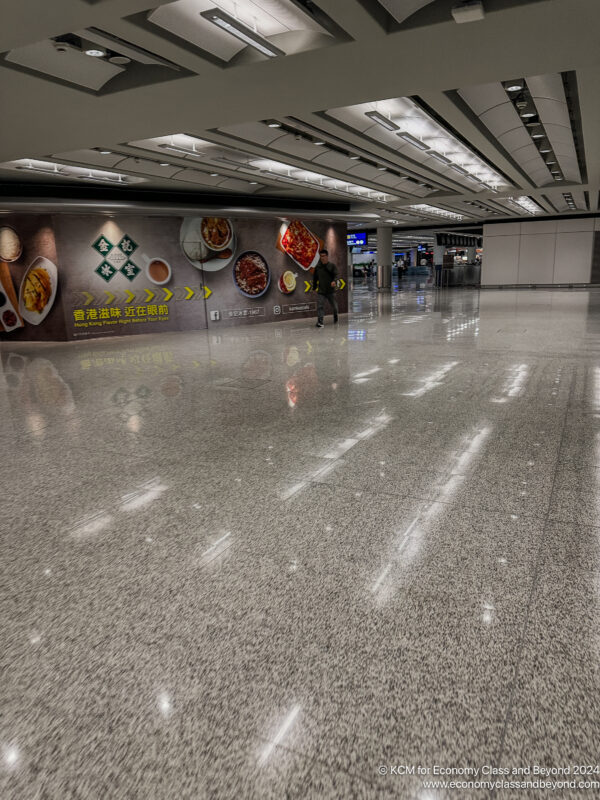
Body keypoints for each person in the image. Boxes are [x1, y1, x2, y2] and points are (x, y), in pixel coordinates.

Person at [312, 248, 338, 328]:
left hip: (330, 291)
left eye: (324, 256)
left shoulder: (332, 266)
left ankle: (335, 316)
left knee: (334, 306)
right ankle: (320, 322)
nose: (322, 258)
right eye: (321, 256)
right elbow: (315, 278)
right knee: (320, 306)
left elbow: (336, 275)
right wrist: (314, 287)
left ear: (327, 256)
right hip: (321, 291)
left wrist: (334, 281)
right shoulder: (318, 267)